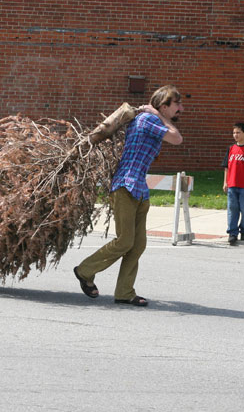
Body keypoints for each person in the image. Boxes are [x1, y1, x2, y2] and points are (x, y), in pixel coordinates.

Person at [73, 85, 184, 307]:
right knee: (125, 241)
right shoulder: (149, 121)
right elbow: (176, 138)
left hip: (138, 188)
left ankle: (124, 291)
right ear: (163, 106)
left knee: (138, 244)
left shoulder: (151, 119)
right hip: (126, 185)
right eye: (177, 105)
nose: (181, 108)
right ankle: (84, 270)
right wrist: (159, 117)